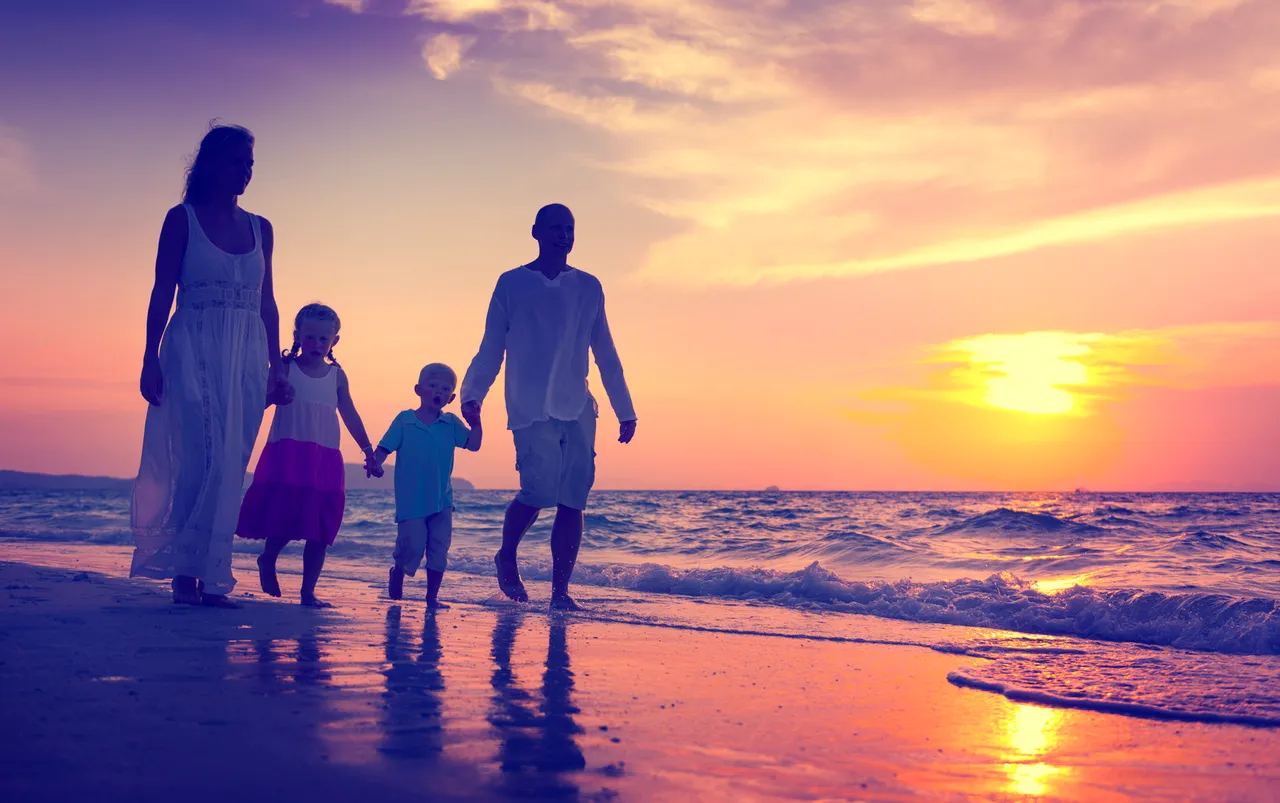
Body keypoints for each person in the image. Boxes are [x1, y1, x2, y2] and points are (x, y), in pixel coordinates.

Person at [130, 124, 292, 608]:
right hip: (192, 345)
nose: (245, 171)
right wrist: (148, 355)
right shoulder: (182, 219)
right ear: (210, 164)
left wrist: (275, 365)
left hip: (245, 352)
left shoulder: (262, 227)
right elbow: (163, 290)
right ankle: (186, 574)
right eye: (237, 160)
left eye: (250, 163)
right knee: (199, 456)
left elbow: (268, 302)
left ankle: (214, 574)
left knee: (229, 462)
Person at [460, 203, 636, 612]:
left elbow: (605, 351)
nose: (564, 235)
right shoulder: (511, 284)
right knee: (538, 491)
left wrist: (624, 407)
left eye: (570, 228)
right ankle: (507, 554)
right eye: (555, 228)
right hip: (529, 405)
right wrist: (474, 394)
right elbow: (491, 346)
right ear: (536, 232)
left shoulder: (589, 286)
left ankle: (560, 593)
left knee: (574, 497)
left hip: (578, 408)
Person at [236, 303, 381, 608]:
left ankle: (307, 592)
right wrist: (274, 396)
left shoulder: (337, 376)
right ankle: (268, 558)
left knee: (320, 526)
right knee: (285, 517)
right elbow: (256, 404)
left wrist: (368, 450)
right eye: (309, 337)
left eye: (323, 339)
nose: (316, 344)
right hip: (287, 452)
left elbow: (350, 413)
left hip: (325, 457)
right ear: (297, 336)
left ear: (334, 342)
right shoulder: (284, 369)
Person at [372, 363, 482, 610]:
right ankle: (398, 571)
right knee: (411, 545)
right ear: (418, 389)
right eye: (432, 386)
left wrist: (476, 423)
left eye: (445, 389)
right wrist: (376, 464)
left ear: (451, 397)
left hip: (442, 500)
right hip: (411, 501)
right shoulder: (405, 420)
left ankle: (432, 598)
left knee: (439, 550)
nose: (438, 392)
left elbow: (473, 445)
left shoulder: (451, 423)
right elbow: (384, 448)